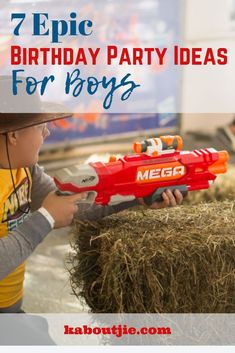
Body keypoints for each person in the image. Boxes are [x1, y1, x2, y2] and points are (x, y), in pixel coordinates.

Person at [0, 77, 183, 313]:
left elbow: (79, 206)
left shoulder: (25, 169)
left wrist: (138, 192)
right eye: (38, 126)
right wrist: (46, 218)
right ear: (13, 135)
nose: (45, 132)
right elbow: (50, 215)